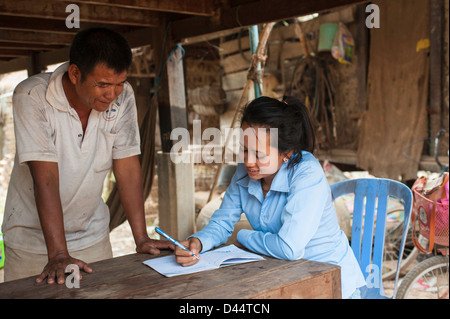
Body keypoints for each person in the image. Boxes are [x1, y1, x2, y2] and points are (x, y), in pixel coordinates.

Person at [1, 28, 174, 283]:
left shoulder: (122, 97)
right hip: (32, 244)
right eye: (102, 84)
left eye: (119, 83)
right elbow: (45, 177)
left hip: (92, 237)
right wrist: (59, 253)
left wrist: (141, 238)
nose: (112, 94)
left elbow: (126, 166)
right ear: (74, 74)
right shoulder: (32, 96)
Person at [175, 96, 366, 298]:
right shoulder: (244, 172)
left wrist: (243, 236)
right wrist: (199, 242)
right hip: (284, 277)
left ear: (287, 152)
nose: (248, 162)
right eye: (244, 150)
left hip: (331, 282)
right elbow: (222, 222)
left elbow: (289, 248)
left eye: (258, 154)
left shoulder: (307, 174)